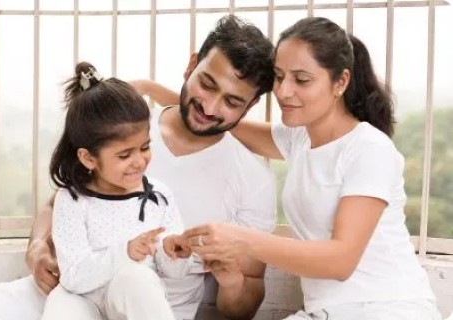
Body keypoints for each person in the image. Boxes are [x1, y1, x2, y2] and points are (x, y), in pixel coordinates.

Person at [0, 15, 276, 320]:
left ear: (252, 105)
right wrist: (36, 247)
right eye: (207, 84)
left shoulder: (253, 181)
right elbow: (61, 201)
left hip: (152, 309)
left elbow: (246, 301)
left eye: (232, 102)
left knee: (134, 281)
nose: (210, 107)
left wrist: (231, 279)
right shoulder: (126, 125)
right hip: (74, 292)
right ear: (191, 65)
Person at [183, 17, 442, 320]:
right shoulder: (300, 138)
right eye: (279, 77)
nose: (284, 92)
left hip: (388, 309)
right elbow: (223, 120)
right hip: (326, 312)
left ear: (340, 82)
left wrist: (242, 239)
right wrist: (148, 91)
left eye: (301, 80)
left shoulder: (369, 148)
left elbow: (340, 261)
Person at [41, 61, 195, 320]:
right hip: (82, 297)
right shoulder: (72, 200)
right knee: (61, 306)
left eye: (145, 147)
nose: (139, 161)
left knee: (137, 278)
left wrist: (174, 253)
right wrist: (125, 252)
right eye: (124, 154)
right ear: (89, 159)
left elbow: (174, 274)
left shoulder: (159, 196)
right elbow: (73, 276)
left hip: (130, 297)